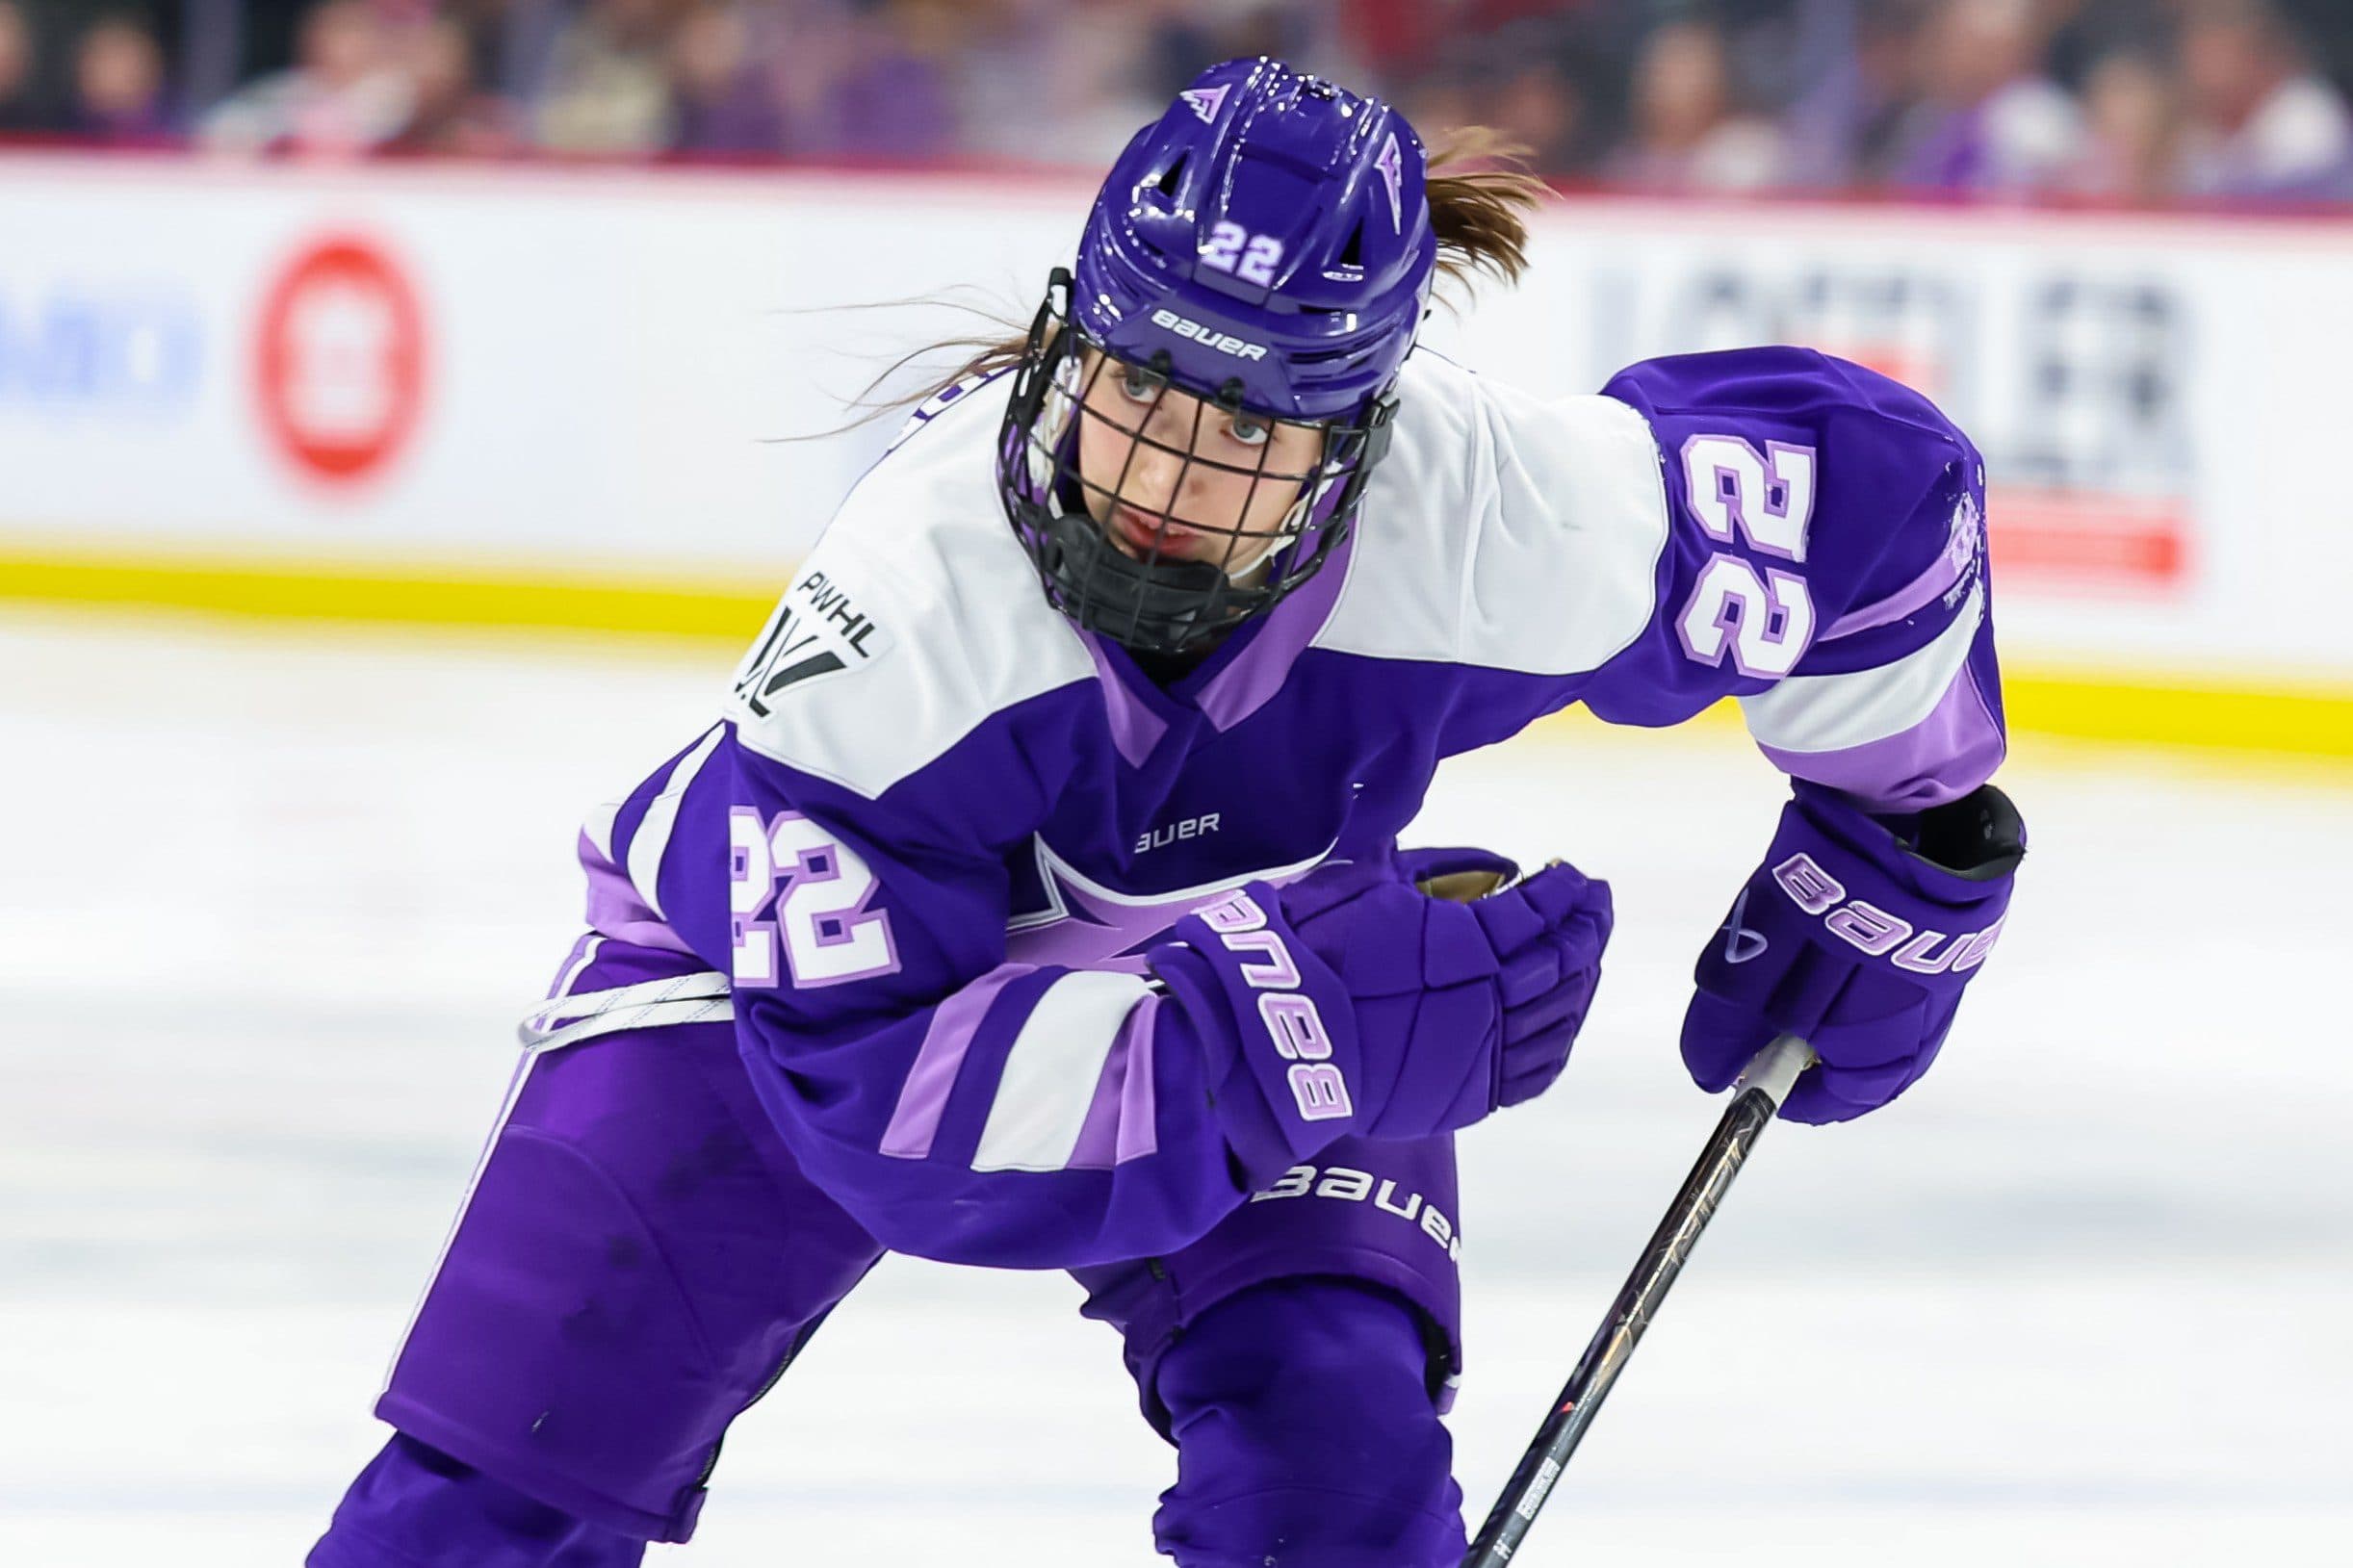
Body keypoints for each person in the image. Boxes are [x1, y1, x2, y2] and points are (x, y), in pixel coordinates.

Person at [309, 57, 2024, 1568]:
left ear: (1360, 433)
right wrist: (1300, 1029)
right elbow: (877, 1107)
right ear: (1073, 336)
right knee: (493, 1498)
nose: (1154, 485)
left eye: (1244, 432)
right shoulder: (903, 627)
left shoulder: (1497, 514)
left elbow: (1876, 513)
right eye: (1133, 389)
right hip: (770, 987)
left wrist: (1904, 839)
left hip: (1251, 947)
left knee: (1335, 1480)